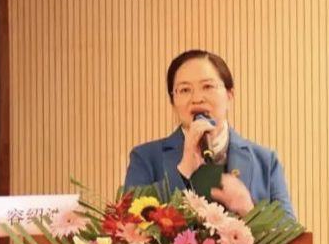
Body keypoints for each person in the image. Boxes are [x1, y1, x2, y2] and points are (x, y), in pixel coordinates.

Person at [123, 49, 295, 221]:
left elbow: (290, 233)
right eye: (184, 90)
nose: (197, 98)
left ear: (229, 95)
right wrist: (183, 169)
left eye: (208, 86)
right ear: (173, 101)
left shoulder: (266, 162)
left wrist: (248, 209)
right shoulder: (145, 158)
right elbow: (127, 224)